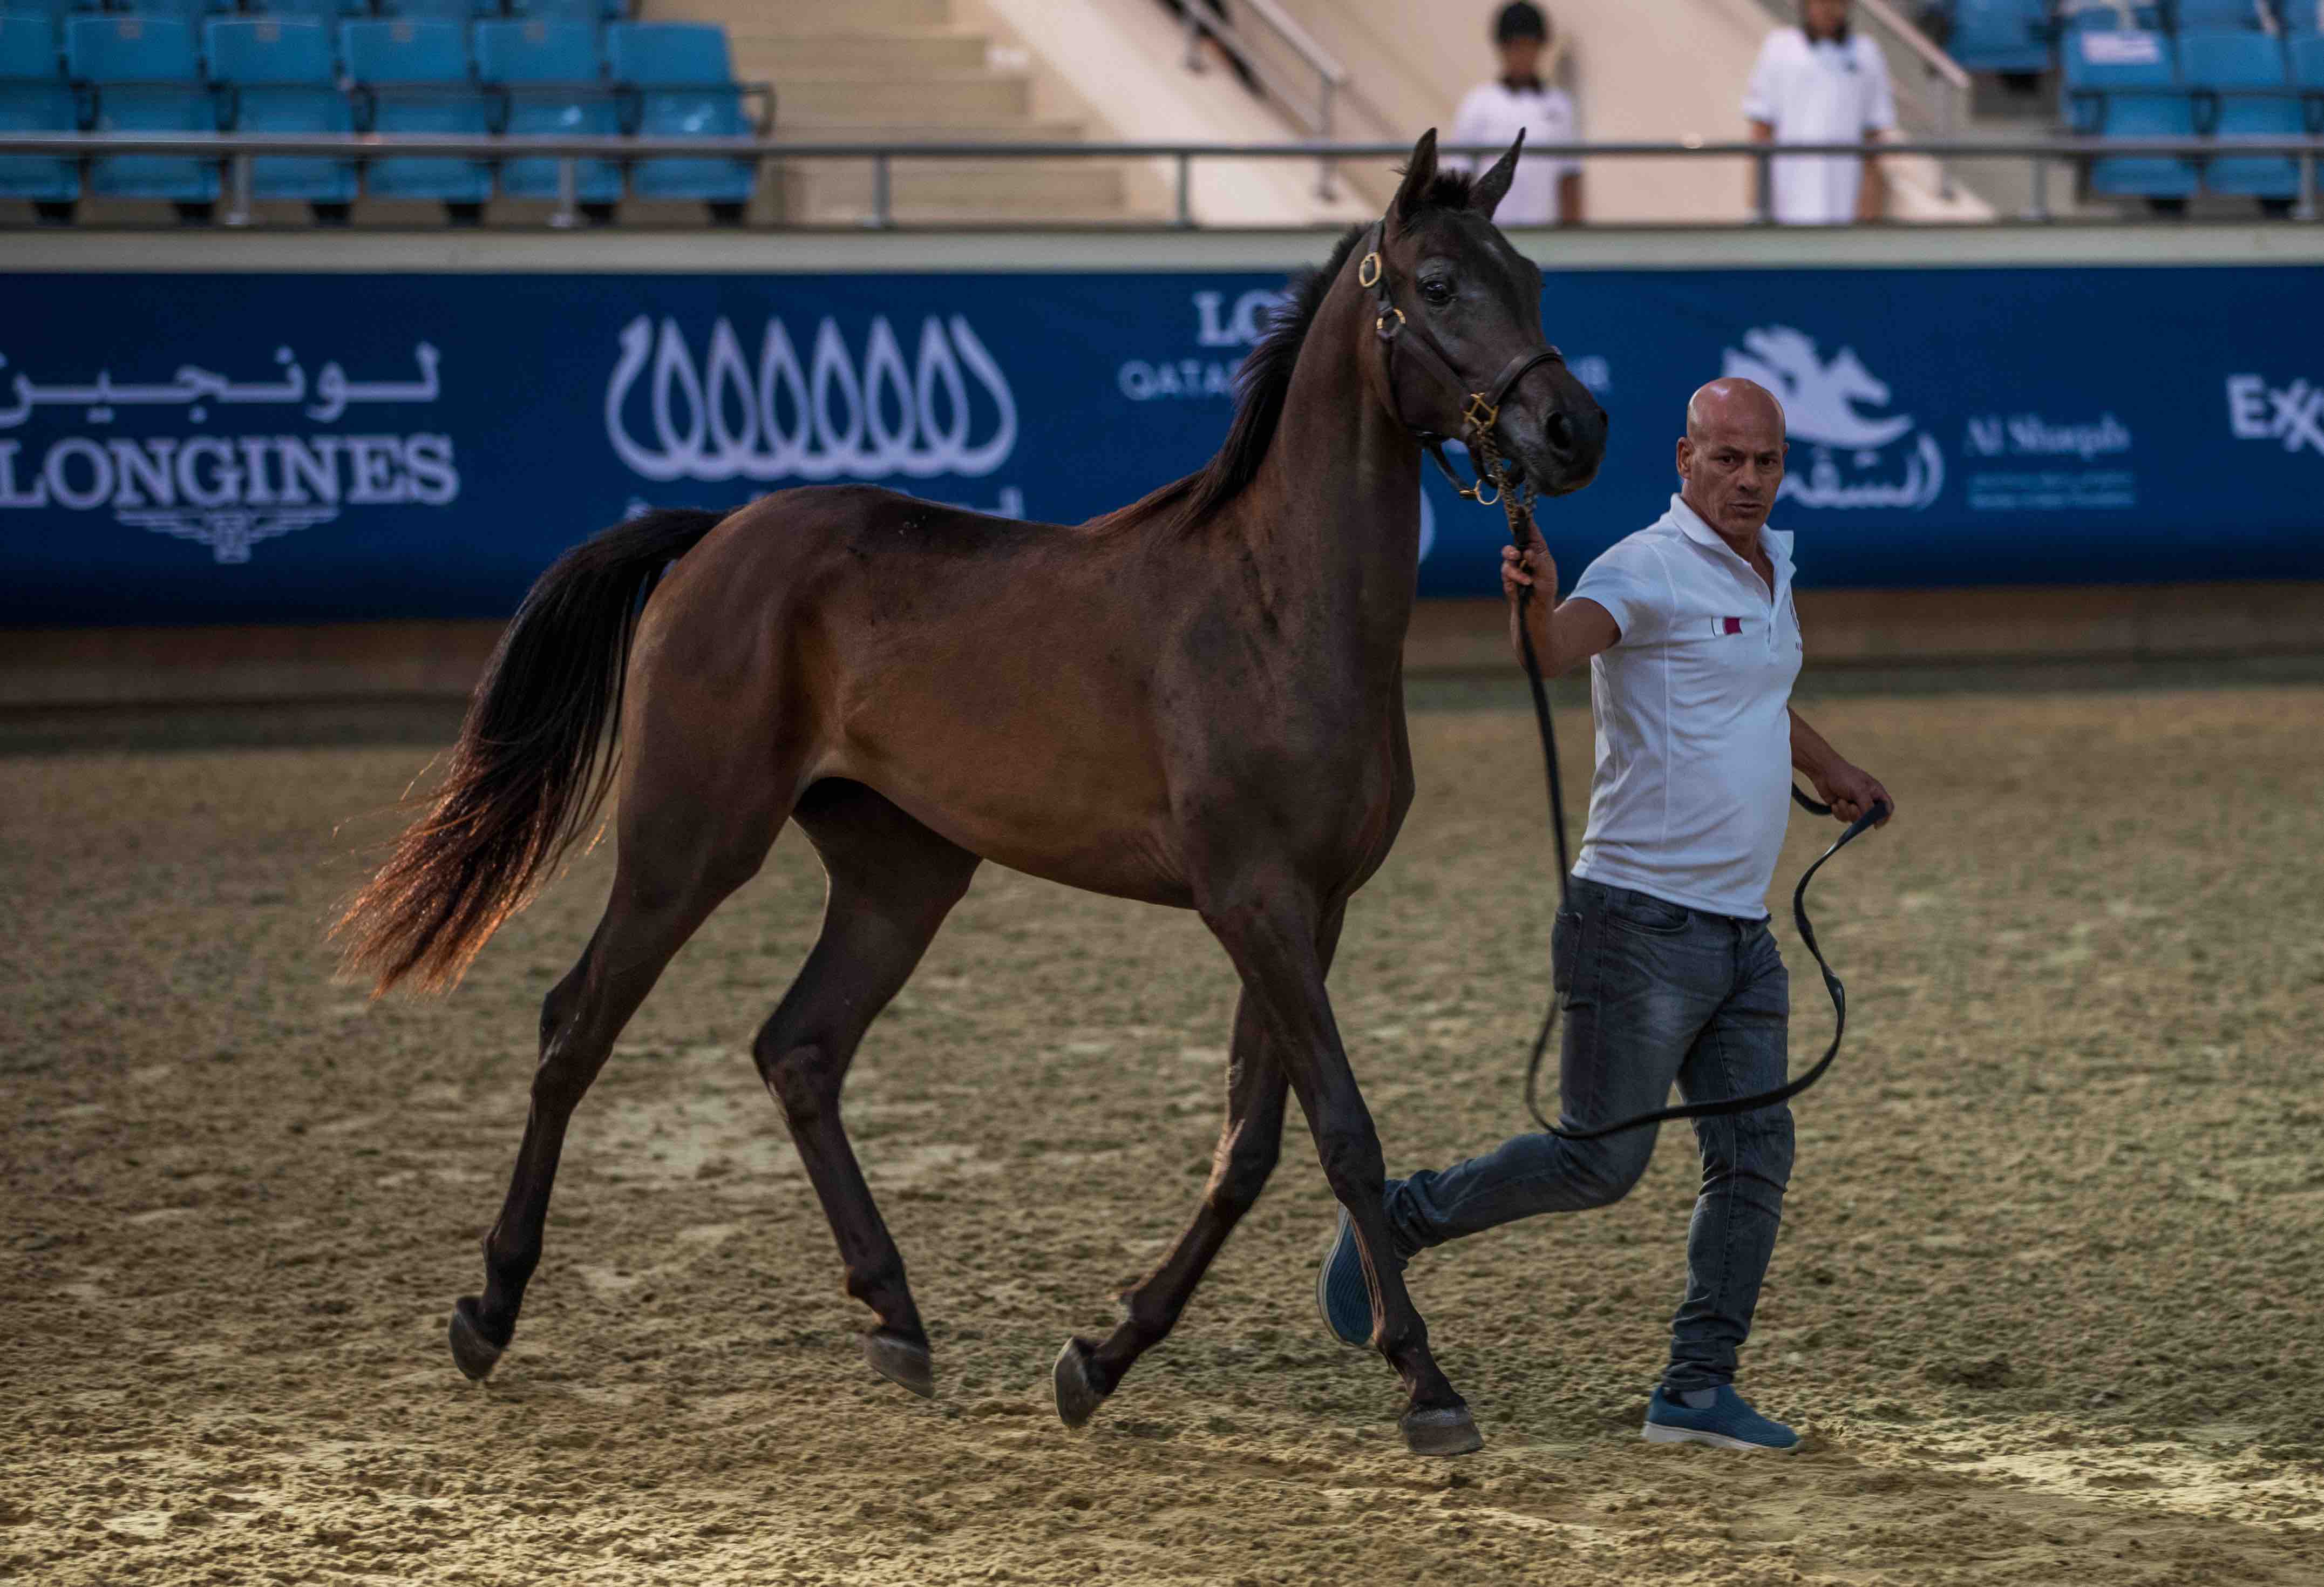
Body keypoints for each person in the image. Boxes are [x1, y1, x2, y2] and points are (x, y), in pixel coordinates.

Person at [1316, 378, 1894, 1454]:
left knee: (1754, 1154)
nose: (1748, 479)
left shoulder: (1772, 568)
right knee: (1596, 1164)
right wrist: (1528, 604)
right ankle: (1394, 1219)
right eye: (1726, 459)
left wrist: (1833, 768)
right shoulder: (1642, 567)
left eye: (1764, 461)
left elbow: (1758, 692)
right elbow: (1551, 650)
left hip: (1739, 934)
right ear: (1683, 459)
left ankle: (1693, 1388)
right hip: (1634, 926)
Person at [1742, 0, 1896, 225]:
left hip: (1844, 210)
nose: (1830, 9)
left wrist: (1869, 211)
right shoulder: (1778, 48)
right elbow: (1761, 134)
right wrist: (1758, 207)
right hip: (1787, 205)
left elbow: (1873, 142)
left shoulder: (1867, 54)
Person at [1445, 2, 1585, 226]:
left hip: (1545, 236)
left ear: (1540, 48)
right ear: (1502, 48)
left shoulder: (1559, 106)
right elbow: (1460, 176)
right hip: (1490, 236)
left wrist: (1573, 239)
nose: (1522, 55)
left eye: (1529, 46)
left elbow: (1569, 177)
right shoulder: (1478, 103)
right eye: (1515, 46)